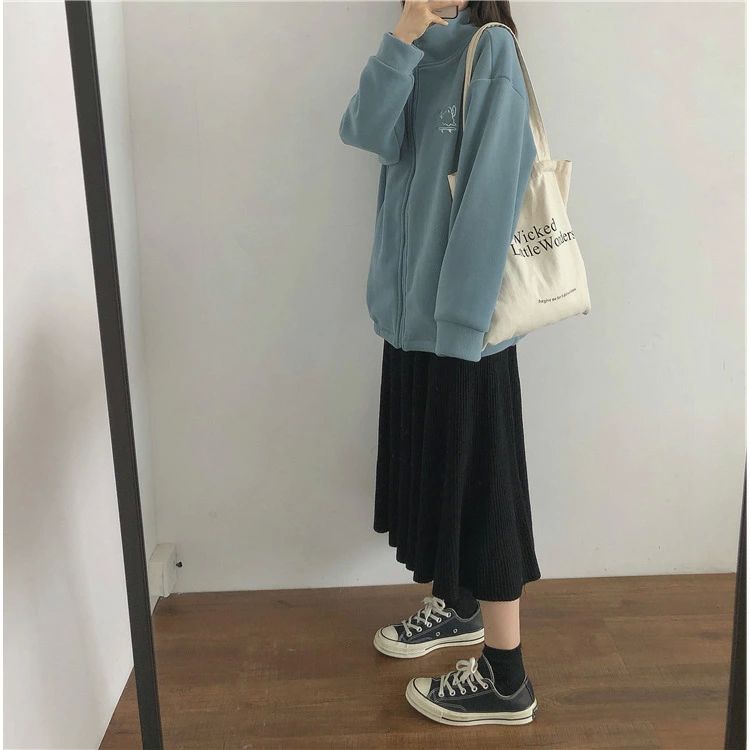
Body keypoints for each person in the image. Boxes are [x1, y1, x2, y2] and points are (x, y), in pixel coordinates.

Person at [339, 0, 541, 727]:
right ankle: (458, 608)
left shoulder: (492, 52)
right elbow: (364, 131)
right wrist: (401, 40)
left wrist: (459, 327)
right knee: (438, 481)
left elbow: (492, 198)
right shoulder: (415, 50)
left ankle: (507, 678)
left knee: (484, 496)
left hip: (463, 331)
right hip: (407, 322)